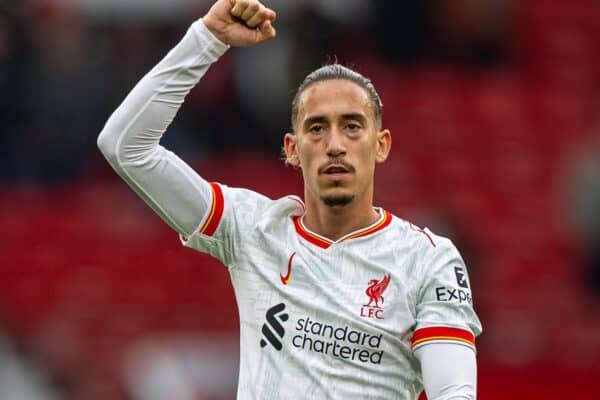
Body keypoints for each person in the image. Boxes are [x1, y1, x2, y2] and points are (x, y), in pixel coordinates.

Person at [97, 0, 482, 398]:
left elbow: (453, 392)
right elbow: (125, 145)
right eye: (317, 128)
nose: (335, 145)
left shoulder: (427, 260)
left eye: (352, 126)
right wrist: (206, 39)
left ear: (380, 145)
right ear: (292, 148)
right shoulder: (252, 230)